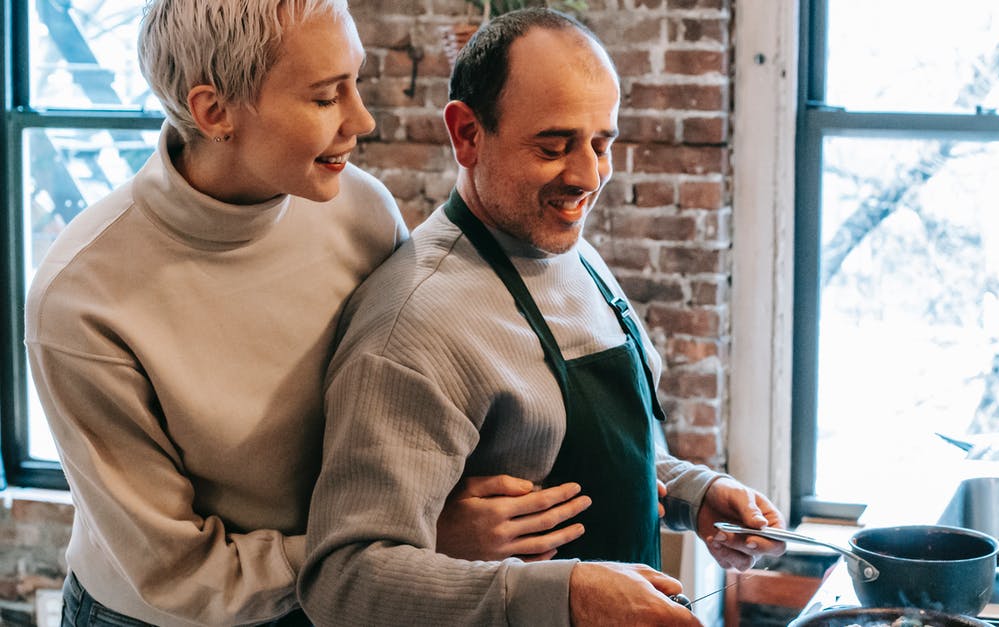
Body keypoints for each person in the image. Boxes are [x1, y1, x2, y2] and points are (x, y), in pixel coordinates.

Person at [24, 1, 589, 625]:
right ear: (214, 112)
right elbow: (177, 571)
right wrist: (407, 542)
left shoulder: (361, 209)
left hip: (340, 587)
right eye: (325, 98)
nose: (363, 119)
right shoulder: (79, 298)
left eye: (357, 82)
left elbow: (417, 402)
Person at [298, 8, 787, 626]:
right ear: (468, 134)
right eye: (553, 146)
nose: (587, 177)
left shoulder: (571, 253)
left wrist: (695, 492)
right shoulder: (411, 325)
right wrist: (567, 597)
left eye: (601, 143)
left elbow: (578, 454)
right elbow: (345, 581)